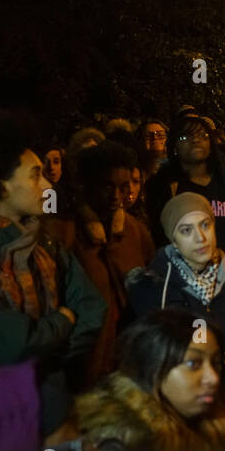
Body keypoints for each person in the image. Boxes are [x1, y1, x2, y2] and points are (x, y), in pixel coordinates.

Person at [0, 111, 106, 432]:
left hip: (53, 405)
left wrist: (44, 354)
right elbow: (7, 345)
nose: (46, 185)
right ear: (1, 187)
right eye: (35, 175)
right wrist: (63, 321)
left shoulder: (46, 243)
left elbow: (93, 309)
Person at [44, 309, 225, 451]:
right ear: (152, 367)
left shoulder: (217, 428)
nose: (213, 378)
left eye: (216, 363)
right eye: (193, 364)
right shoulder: (109, 448)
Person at [127, 193, 225, 403]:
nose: (200, 237)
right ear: (174, 239)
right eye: (186, 230)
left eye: (205, 225)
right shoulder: (153, 288)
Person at [57, 142, 156, 384]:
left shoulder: (135, 231)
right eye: (107, 187)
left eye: (124, 188)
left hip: (127, 357)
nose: (116, 196)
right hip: (81, 361)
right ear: (89, 185)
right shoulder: (66, 233)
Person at [145, 114, 225, 255]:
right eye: (185, 137)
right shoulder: (164, 187)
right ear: (174, 147)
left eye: (203, 135)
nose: (196, 140)